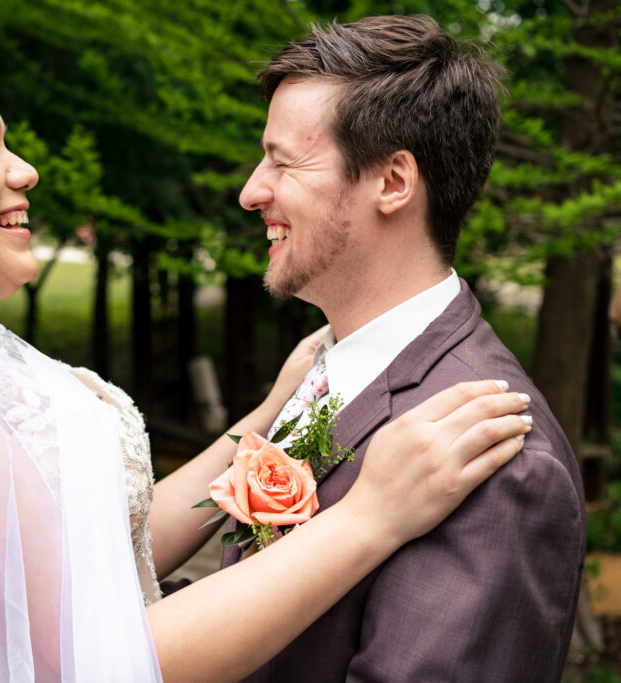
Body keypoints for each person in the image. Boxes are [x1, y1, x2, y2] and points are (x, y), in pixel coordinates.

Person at [0, 18, 531, 682]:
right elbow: (91, 657)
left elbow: (87, 556)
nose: (25, 173)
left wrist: (266, 419)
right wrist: (372, 515)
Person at [221, 15, 585, 682]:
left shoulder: (498, 463)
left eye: (283, 161)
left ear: (392, 183)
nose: (252, 191)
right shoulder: (320, 369)